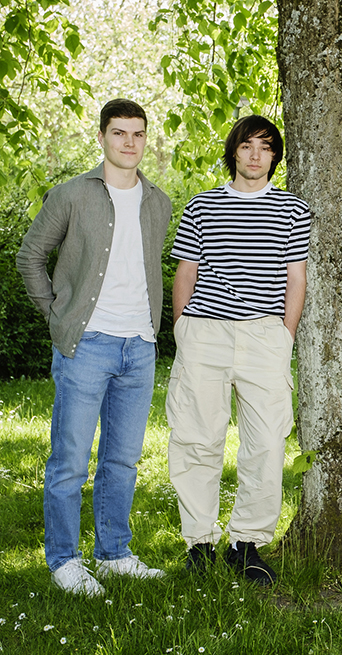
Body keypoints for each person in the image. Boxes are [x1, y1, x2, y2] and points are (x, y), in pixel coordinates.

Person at [16, 99, 172, 596]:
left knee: (123, 460)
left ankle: (114, 553)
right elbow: (30, 256)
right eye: (120, 133)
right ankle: (64, 559)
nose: (130, 143)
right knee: (70, 461)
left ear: (146, 140)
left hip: (139, 347)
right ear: (102, 137)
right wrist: (57, 316)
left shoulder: (159, 202)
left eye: (138, 134)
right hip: (87, 344)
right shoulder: (70, 196)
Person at [166, 115, 311, 587]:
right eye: (247, 145)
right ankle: (199, 544)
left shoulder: (293, 210)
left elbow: (296, 278)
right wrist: (183, 326)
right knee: (196, 438)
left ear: (274, 156)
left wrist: (285, 334)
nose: (255, 155)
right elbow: (185, 272)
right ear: (234, 151)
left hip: (264, 336)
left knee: (267, 444)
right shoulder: (202, 207)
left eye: (265, 147)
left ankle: (245, 543)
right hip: (204, 332)